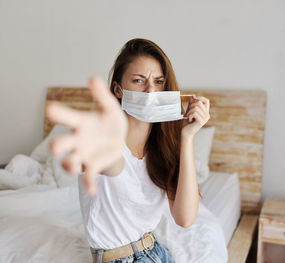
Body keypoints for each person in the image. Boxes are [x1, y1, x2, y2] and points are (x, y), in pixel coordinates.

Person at [46, 38, 210, 263]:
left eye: (159, 81)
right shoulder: (106, 142)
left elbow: (185, 218)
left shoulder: (162, 149)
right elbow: (113, 164)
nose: (151, 91)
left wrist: (187, 137)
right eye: (138, 80)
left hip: (157, 252)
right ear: (118, 90)